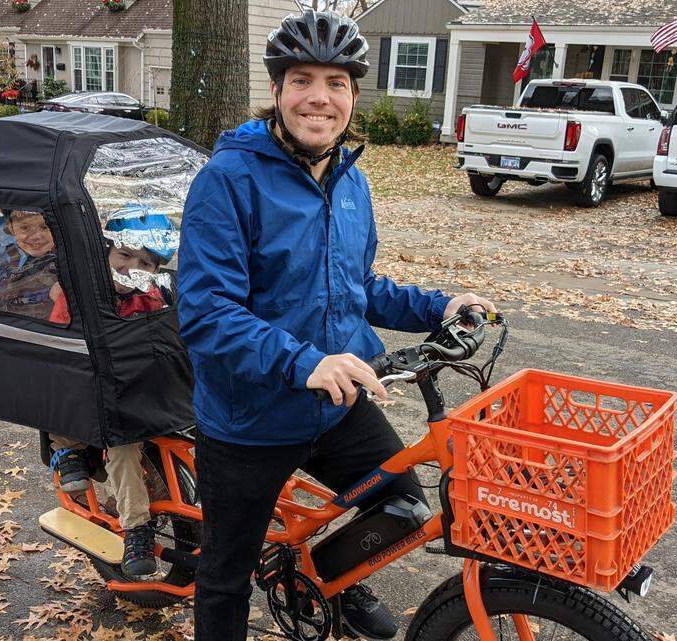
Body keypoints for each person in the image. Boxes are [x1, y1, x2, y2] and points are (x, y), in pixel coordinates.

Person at [176, 10, 496, 641]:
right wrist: (305, 362)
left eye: (336, 83)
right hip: (251, 419)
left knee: (401, 505)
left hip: (336, 404)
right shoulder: (228, 180)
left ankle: (324, 584)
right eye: (302, 80)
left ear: (352, 95)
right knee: (224, 576)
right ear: (276, 91)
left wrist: (439, 307)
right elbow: (207, 313)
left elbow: (355, 287)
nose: (318, 97)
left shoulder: (351, 181)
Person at [47, 206, 180, 579]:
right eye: (124, 255)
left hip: (130, 394)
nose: (131, 267)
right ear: (106, 252)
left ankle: (141, 523)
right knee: (53, 387)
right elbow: (58, 348)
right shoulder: (78, 294)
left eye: (146, 263)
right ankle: (70, 452)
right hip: (84, 390)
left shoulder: (150, 300)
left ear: (156, 272)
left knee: (125, 444)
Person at [0, 209, 59, 318]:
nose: (35, 236)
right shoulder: (8, 266)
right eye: (24, 228)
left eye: (45, 227)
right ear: (11, 228)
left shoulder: (68, 260)